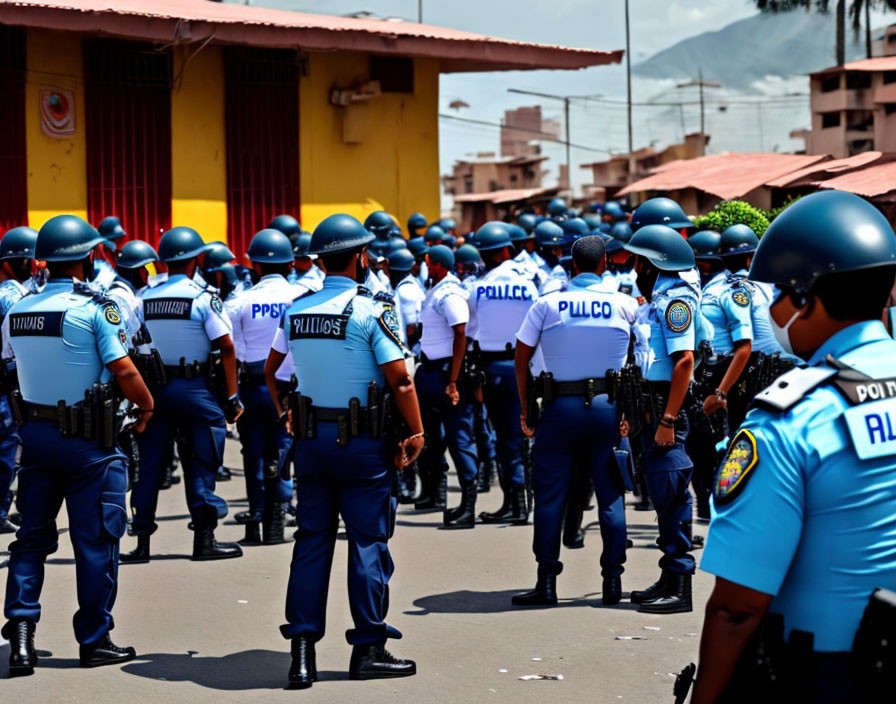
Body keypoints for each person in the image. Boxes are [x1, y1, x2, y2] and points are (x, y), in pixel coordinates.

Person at [693, 190, 896, 703]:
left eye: (778, 295)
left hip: (833, 674)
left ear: (808, 298)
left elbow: (736, 607)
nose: (772, 310)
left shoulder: (790, 421)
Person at [264, 214, 424, 688]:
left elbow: (272, 369)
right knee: (368, 543)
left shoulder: (298, 308)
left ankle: (302, 653)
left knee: (311, 543)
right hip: (362, 445)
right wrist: (416, 433)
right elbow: (400, 378)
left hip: (312, 443)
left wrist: (284, 413)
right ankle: (369, 648)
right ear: (358, 258)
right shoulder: (372, 309)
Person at [1, 215, 153, 674]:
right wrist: (146, 407)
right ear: (88, 256)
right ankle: (94, 639)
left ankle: (21, 633)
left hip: (37, 437)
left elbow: (11, 363)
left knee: (31, 538)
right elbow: (124, 369)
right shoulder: (96, 307)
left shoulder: (18, 310)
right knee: (96, 541)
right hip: (91, 442)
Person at [512, 236, 636, 606]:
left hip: (559, 409)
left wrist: (525, 407)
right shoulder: (626, 304)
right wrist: (630, 412)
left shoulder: (547, 304)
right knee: (611, 497)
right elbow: (639, 362)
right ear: (605, 265)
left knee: (550, 497)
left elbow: (521, 358)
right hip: (607, 409)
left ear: (572, 266)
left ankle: (546, 582)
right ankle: (612, 583)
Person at [120, 226, 244, 563]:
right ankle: (204, 541)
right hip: (193, 388)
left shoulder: (145, 297)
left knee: (148, 465)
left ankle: (141, 544)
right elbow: (226, 346)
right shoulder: (203, 298)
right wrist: (231, 396)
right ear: (196, 259)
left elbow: (130, 344)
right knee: (201, 460)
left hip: (153, 389)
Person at [624, 222, 708, 614]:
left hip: (665, 408)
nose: (634, 268)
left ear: (654, 263)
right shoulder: (659, 299)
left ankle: (680, 585)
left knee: (673, 494)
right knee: (662, 495)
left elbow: (684, 361)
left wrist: (669, 419)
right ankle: (667, 575)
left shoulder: (677, 302)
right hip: (651, 404)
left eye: (638, 261)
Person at [232, 229, 307, 545]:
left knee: (254, 456)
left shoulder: (239, 301)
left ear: (255, 266)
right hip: (289, 388)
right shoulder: (303, 298)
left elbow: (233, 353)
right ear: (291, 264)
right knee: (284, 453)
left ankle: (255, 521)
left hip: (252, 387)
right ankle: (277, 523)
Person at [468, 222, 539, 525]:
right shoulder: (530, 284)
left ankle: (516, 505)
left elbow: (470, 329)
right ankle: (518, 503)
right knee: (520, 433)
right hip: (525, 366)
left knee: (503, 436)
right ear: (508, 250)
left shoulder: (478, 287)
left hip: (494, 367)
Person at [415, 244, 478, 529]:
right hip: (431, 371)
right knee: (433, 438)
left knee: (459, 440)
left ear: (437, 264)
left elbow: (460, 331)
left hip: (446, 376)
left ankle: (468, 506)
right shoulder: (438, 289)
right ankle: (438, 494)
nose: (425, 266)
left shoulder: (450, 293)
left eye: (428, 262)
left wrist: (453, 380)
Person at [0, 226, 37, 534]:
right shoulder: (13, 296)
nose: (32, 265)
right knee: (7, 453)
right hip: (9, 382)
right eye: (26, 259)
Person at [93, 215, 127, 290]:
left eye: (117, 239)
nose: (115, 242)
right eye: (113, 239)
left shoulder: (116, 255)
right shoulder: (96, 256)